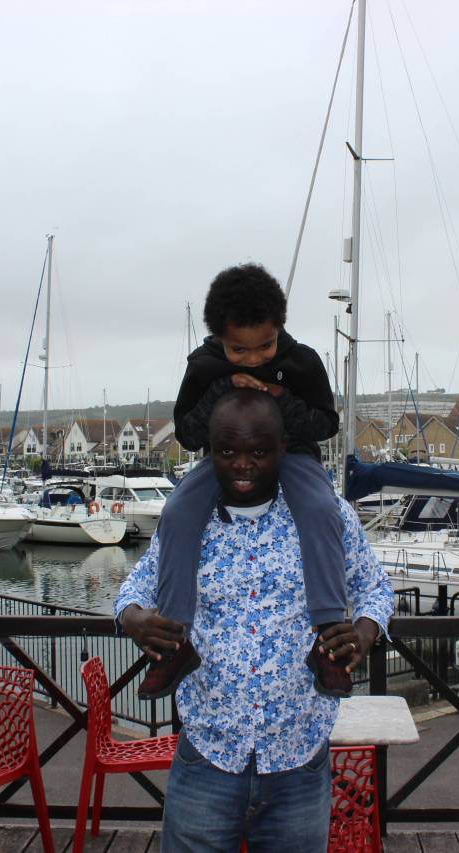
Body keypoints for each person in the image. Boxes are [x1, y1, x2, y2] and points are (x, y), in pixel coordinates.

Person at [116, 390, 392, 851]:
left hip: (298, 760)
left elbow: (376, 587)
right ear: (210, 451)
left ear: (283, 447)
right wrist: (132, 617)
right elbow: (135, 588)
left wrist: (365, 631)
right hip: (207, 757)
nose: (243, 464)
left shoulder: (326, 515)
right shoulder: (187, 520)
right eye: (227, 452)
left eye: (259, 452)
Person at [144, 263, 345, 701]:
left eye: (265, 346)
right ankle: (176, 641)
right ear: (219, 336)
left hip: (293, 454)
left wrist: (279, 399)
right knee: (176, 512)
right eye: (239, 350)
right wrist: (223, 386)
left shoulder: (301, 361)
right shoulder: (204, 366)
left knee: (321, 510)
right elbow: (188, 433)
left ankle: (329, 638)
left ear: (279, 328)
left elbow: (326, 424)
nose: (254, 359)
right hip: (223, 460)